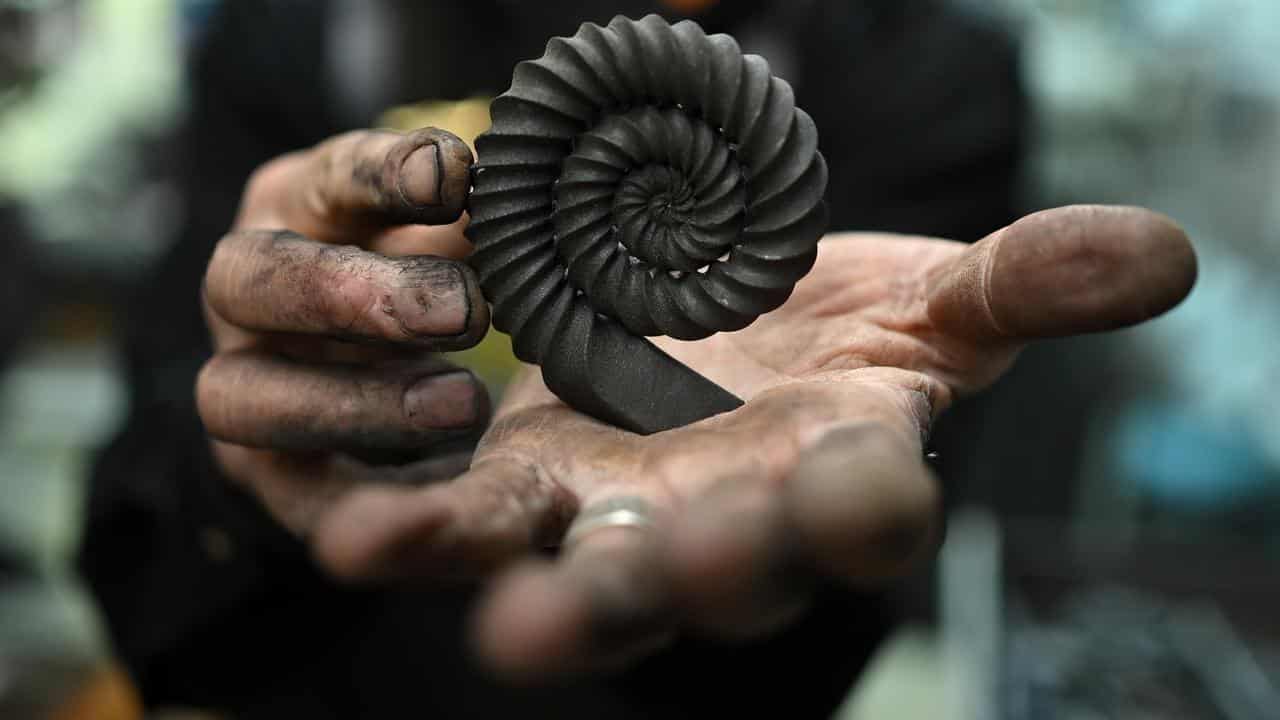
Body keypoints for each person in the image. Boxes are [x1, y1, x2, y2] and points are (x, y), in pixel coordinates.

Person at [79, 1, 1196, 717]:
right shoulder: (299, 36)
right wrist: (244, 470)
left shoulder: (926, 68)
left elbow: (847, 545)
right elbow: (153, 596)